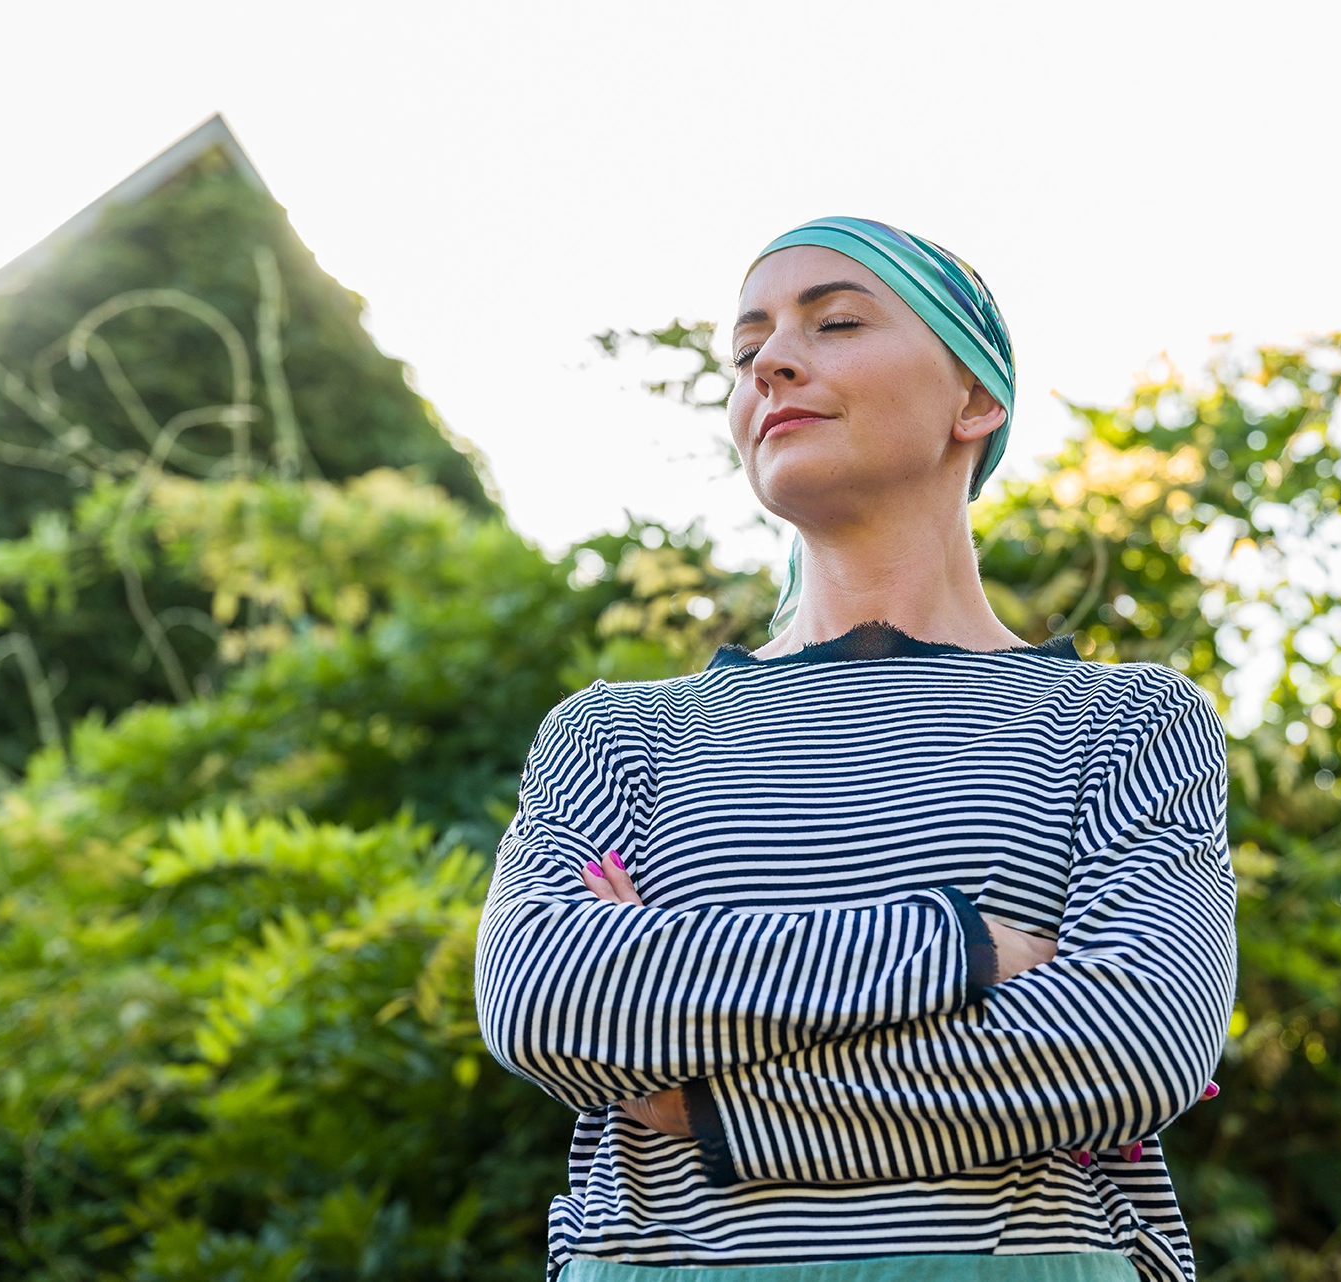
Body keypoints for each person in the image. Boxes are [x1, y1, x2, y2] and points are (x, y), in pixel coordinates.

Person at [474, 216, 1237, 1282]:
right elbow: (545, 995)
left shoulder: (1126, 722)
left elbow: (1132, 1041)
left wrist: (703, 1104)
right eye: (746, 353)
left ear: (975, 399)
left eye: (835, 322)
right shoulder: (614, 735)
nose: (772, 362)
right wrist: (963, 950)